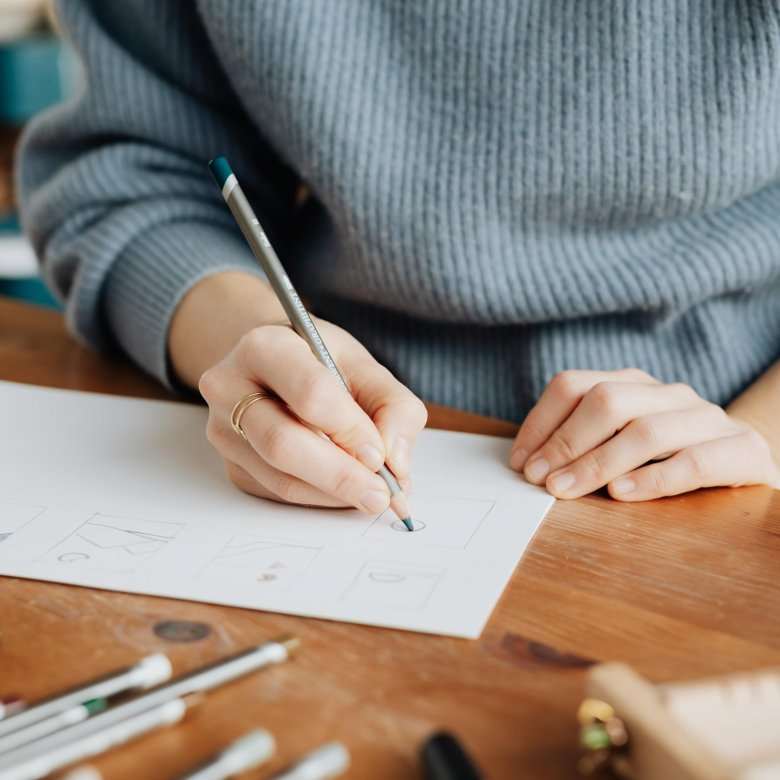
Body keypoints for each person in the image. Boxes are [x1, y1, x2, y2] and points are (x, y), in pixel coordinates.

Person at [17, 1, 780, 516]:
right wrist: (249, 341)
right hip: (339, 434)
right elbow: (130, 175)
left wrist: (760, 440)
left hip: (729, 449)